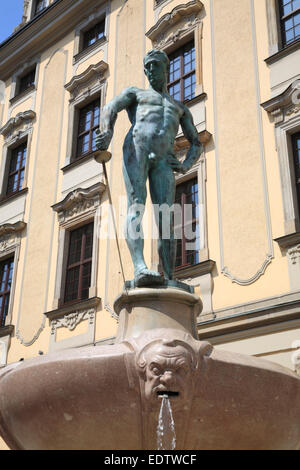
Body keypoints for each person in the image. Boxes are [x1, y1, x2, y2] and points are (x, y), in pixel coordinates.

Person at [96, 49, 203, 287]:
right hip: (136, 150)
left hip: (164, 160)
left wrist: (186, 165)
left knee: (167, 218)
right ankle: (140, 267)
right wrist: (107, 132)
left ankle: (171, 276)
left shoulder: (179, 108)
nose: (151, 70)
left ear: (166, 69)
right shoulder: (137, 94)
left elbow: (196, 142)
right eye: (148, 67)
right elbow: (110, 108)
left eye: (156, 65)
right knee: (136, 207)